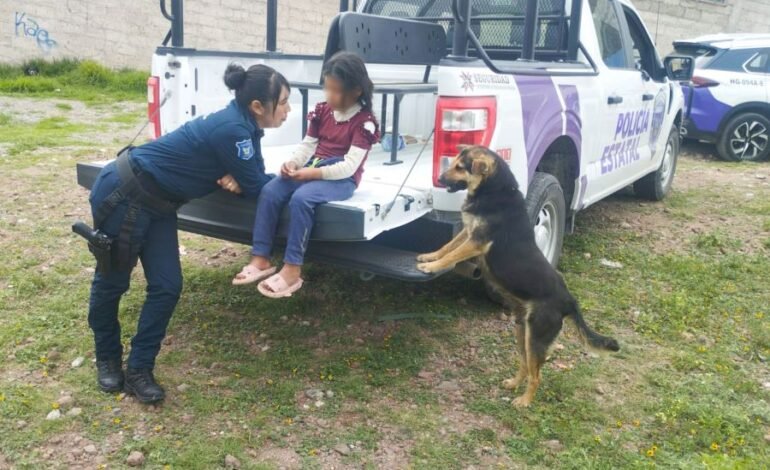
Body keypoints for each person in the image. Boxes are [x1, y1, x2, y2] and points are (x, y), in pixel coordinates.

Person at [85, 63, 290, 403]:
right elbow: (258, 185)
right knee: (113, 281)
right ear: (258, 106)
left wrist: (244, 179)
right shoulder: (234, 130)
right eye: (282, 102)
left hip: (160, 203)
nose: (288, 110)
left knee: (167, 286)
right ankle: (107, 357)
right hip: (124, 193)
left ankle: (139, 369)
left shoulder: (245, 127)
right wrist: (254, 180)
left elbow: (253, 179)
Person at [232, 52, 379, 298]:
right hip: (313, 166)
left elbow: (350, 166)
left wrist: (313, 174)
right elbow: (308, 144)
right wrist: (293, 163)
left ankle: (292, 268)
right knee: (271, 190)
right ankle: (261, 257)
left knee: (302, 199)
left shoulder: (365, 122)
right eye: (327, 88)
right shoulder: (322, 111)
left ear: (356, 91)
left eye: (336, 90)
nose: (329, 95)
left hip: (341, 179)